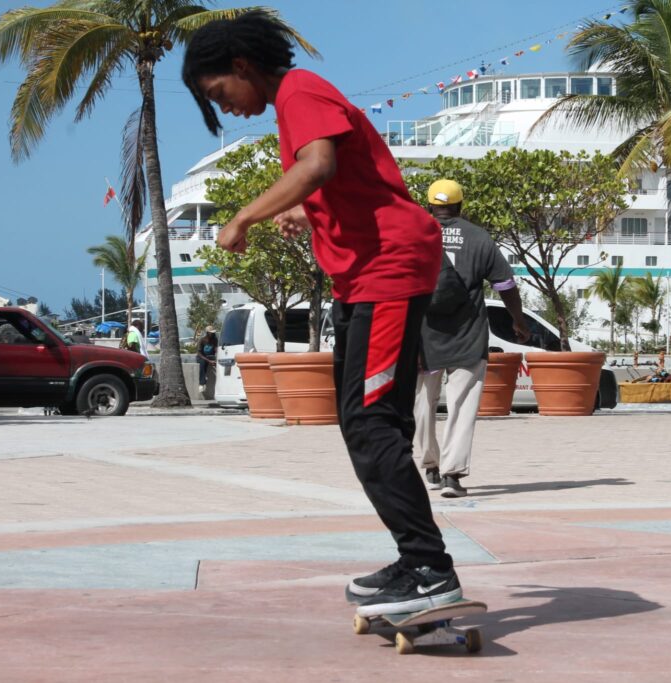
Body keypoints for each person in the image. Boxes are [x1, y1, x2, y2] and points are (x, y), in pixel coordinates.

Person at [182, 11, 460, 618]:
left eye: (218, 92)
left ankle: (430, 569)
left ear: (241, 65)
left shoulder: (299, 92)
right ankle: (417, 560)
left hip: (388, 270)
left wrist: (244, 216)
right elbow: (350, 181)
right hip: (366, 276)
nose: (224, 107)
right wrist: (308, 210)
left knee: (370, 422)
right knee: (368, 420)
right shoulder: (295, 102)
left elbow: (319, 166)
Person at [414, 180, 530, 498]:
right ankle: (452, 476)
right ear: (461, 205)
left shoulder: (415, 235)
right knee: (461, 404)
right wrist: (518, 321)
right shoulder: (478, 237)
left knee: (422, 402)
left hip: (425, 337)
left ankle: (431, 465)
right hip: (468, 335)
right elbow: (505, 285)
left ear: (429, 206)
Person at [196, 326, 219, 396]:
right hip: (202, 356)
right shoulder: (202, 340)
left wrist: (216, 358)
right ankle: (201, 383)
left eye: (213, 333)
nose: (212, 334)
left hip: (210, 356)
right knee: (203, 363)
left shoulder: (215, 340)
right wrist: (209, 361)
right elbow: (199, 353)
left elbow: (216, 350)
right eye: (211, 333)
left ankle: (205, 377)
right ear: (207, 333)